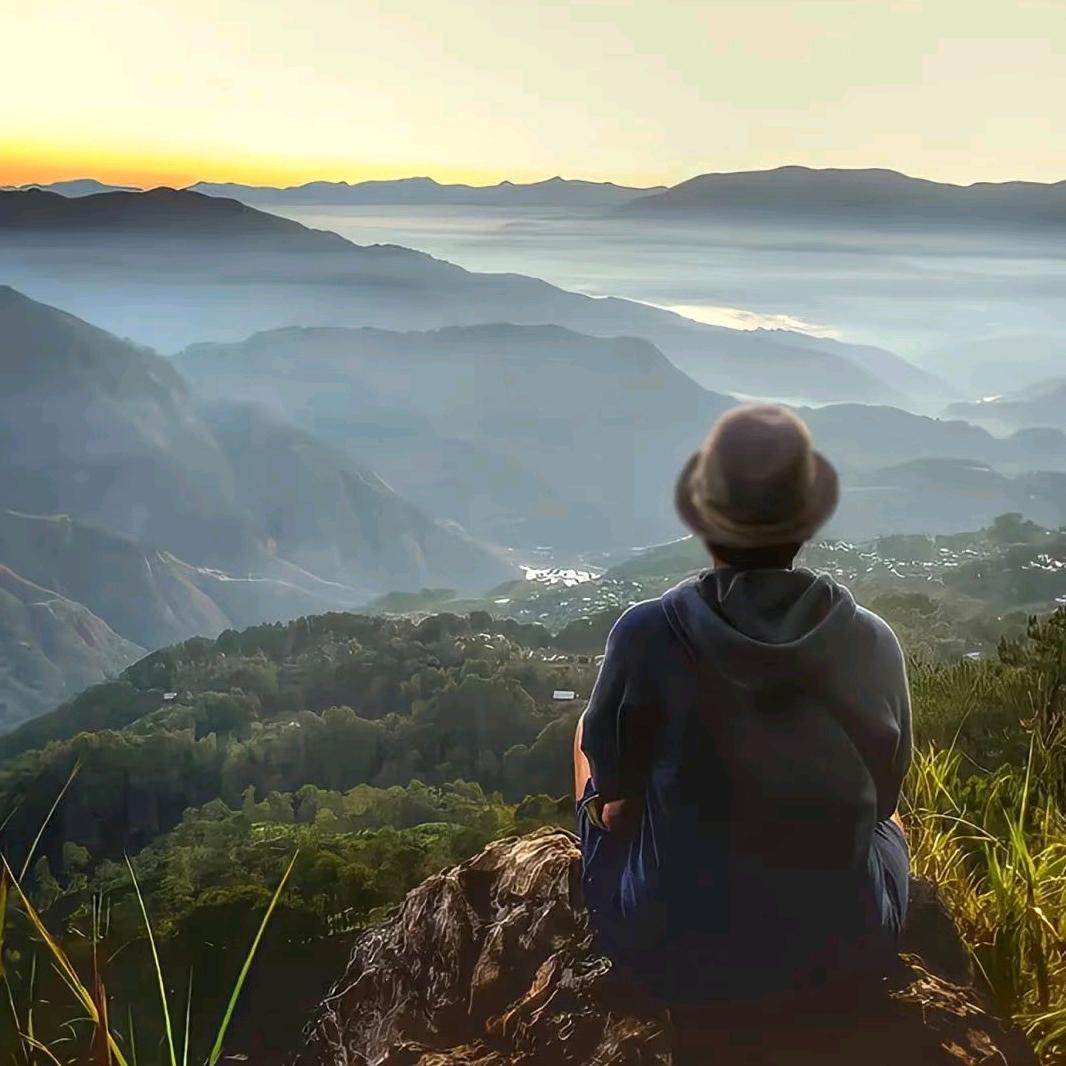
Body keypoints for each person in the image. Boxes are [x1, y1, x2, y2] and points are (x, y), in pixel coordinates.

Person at [574, 404, 911, 1012]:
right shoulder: (871, 641)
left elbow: (617, 809)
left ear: (706, 521)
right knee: (896, 829)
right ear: (805, 525)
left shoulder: (646, 634)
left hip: (676, 954)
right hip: (844, 952)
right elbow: (883, 805)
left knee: (586, 738)